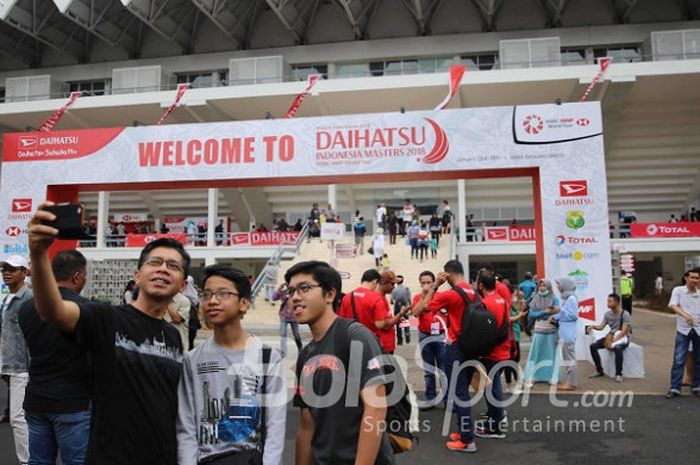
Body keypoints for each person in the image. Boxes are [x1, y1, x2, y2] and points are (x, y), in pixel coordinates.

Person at [28, 203, 189, 465]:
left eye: (173, 265)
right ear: (138, 275)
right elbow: (53, 311)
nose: (163, 268)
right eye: (155, 262)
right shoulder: (105, 318)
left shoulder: (172, 336)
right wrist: (38, 254)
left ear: (182, 283)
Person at [285, 261, 395, 465]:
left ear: (330, 294)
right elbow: (306, 426)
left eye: (305, 288)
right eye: (291, 291)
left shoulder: (355, 336)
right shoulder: (306, 354)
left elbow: (376, 409)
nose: (295, 297)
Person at [177, 265, 285, 465]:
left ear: (244, 303)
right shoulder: (192, 360)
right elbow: (186, 427)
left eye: (223, 294)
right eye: (206, 295)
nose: (212, 301)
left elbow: (275, 427)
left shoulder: (267, 357)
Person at [18, 250, 91, 465]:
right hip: (73, 402)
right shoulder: (88, 309)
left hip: (37, 398)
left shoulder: (26, 308)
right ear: (78, 276)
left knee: (38, 462)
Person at [415, 259, 478, 452]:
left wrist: (435, 286)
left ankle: (467, 441)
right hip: (471, 346)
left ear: (448, 275)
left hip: (456, 346)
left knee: (460, 394)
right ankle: (463, 431)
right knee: (462, 391)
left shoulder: (450, 294)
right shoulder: (473, 292)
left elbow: (421, 309)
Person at [0, 255, 33, 464]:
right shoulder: (7, 299)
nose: (7, 272)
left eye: (13, 268)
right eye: (4, 269)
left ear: (25, 272)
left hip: (24, 367)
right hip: (12, 366)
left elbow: (33, 335)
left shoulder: (29, 299)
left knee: (19, 419)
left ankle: (28, 461)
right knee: (22, 418)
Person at [474, 269, 510, 439]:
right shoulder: (500, 300)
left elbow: (484, 331)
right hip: (502, 348)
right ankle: (495, 417)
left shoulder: (486, 303)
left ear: (480, 285)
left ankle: (495, 425)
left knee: (491, 388)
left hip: (491, 352)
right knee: (493, 386)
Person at [411, 271, 447, 409]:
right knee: (428, 370)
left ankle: (448, 400)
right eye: (423, 282)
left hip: (440, 335)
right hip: (425, 335)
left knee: (443, 369)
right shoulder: (417, 298)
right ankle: (430, 400)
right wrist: (424, 296)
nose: (426, 285)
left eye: (429, 282)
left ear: (434, 282)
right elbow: (415, 313)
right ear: (420, 284)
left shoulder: (441, 296)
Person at [666, 267, 700, 398]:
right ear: (686, 278)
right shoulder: (678, 290)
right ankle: (675, 388)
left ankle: (696, 386)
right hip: (683, 330)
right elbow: (673, 305)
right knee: (679, 359)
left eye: (697, 278)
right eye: (692, 277)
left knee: (698, 359)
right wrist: (686, 316)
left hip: (698, 329)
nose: (694, 280)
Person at [523, 279, 560, 386]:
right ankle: (532, 376)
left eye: (544, 286)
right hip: (539, 329)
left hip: (551, 330)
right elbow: (532, 314)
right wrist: (544, 312)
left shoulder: (554, 298)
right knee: (535, 353)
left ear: (549, 287)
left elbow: (556, 311)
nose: (542, 288)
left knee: (551, 354)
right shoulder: (535, 298)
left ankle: (552, 377)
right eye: (541, 286)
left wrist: (544, 314)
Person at [587, 293, 631, 383]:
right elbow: (601, 326)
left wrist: (613, 341)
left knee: (617, 349)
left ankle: (618, 374)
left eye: (610, 301)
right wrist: (593, 327)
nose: (608, 303)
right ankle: (599, 371)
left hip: (622, 338)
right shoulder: (607, 314)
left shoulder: (625, 314)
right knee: (593, 346)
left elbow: (623, 331)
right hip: (611, 336)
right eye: (608, 301)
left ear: (617, 302)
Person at [552, 277, 579, 391]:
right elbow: (566, 314)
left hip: (568, 333)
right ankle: (571, 381)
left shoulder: (571, 298)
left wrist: (559, 311)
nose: (558, 286)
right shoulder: (567, 298)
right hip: (565, 332)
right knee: (568, 358)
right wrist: (556, 317)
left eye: (559, 284)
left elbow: (573, 315)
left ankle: (572, 383)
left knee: (570, 359)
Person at [375, 271, 411, 354]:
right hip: (383, 345)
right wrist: (401, 313)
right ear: (383, 283)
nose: (394, 287)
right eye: (392, 284)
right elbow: (386, 325)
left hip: (386, 344)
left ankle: (401, 338)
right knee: (404, 322)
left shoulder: (382, 297)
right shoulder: (378, 299)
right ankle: (406, 332)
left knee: (400, 325)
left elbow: (391, 301)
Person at [504, 288, 527, 392]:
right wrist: (519, 315)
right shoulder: (506, 306)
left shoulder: (513, 306)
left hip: (514, 336)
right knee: (510, 360)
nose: (517, 298)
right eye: (515, 295)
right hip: (509, 337)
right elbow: (508, 319)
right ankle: (511, 384)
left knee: (515, 360)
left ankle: (516, 383)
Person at [273, 283, 303, 358]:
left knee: (296, 335)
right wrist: (279, 289)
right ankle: (283, 353)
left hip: (294, 317)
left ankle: (300, 348)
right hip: (284, 316)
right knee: (283, 334)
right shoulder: (283, 292)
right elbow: (274, 298)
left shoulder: (297, 293)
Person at [390, 275, 412, 346]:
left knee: (397, 321)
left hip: (397, 305)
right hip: (405, 305)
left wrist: (393, 302)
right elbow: (409, 299)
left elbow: (391, 301)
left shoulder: (394, 290)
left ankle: (400, 340)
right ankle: (407, 332)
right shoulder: (406, 289)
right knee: (405, 319)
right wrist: (410, 306)